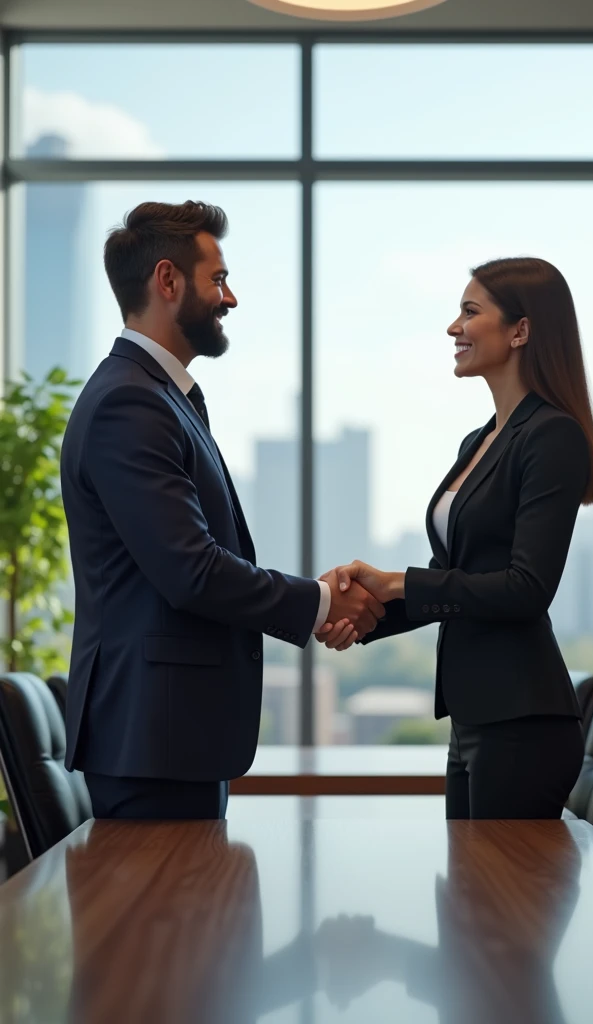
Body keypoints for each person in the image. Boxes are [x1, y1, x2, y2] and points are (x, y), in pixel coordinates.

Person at [60, 200, 384, 820]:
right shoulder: (130, 404)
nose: (229, 299)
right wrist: (319, 603)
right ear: (167, 280)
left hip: (172, 737)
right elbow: (193, 570)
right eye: (219, 279)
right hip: (152, 740)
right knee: (168, 918)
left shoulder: (157, 396)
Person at [318, 256, 593, 820]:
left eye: (470, 312)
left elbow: (526, 589)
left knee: (497, 906)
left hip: (522, 723)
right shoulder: (479, 440)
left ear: (521, 330)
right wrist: (362, 617)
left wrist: (398, 582)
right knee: (469, 905)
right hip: (475, 717)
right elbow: (455, 578)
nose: (454, 328)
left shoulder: (551, 436)